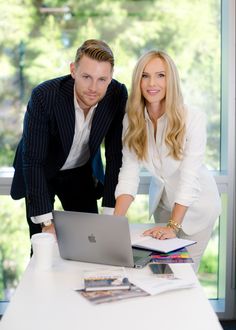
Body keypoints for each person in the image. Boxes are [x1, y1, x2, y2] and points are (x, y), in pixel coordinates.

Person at [114, 50, 221, 272]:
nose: (152, 83)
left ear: (171, 79)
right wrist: (113, 224)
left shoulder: (193, 118)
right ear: (138, 81)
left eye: (160, 75)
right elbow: (128, 174)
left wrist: (174, 226)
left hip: (197, 208)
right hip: (164, 205)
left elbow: (189, 177)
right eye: (145, 75)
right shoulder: (132, 120)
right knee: (159, 273)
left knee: (183, 276)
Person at [11, 39, 128, 242]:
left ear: (110, 77)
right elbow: (33, 161)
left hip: (79, 172)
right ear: (73, 70)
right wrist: (47, 224)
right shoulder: (44, 96)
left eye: (102, 79)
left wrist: (111, 215)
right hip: (41, 171)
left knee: (91, 241)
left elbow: (115, 155)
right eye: (86, 77)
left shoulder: (116, 94)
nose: (93, 87)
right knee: (43, 245)